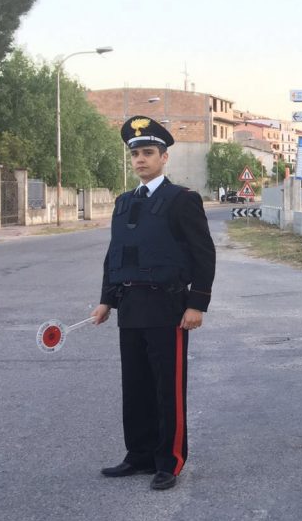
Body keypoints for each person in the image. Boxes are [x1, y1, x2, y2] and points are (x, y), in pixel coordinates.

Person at [90, 116, 216, 491]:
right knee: (136, 386)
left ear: (164, 158)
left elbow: (203, 255)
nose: (140, 160)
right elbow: (115, 254)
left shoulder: (182, 200)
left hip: (168, 308)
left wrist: (197, 305)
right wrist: (105, 301)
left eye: (148, 153)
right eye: (135, 154)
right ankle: (139, 455)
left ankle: (169, 460)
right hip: (131, 306)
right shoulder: (124, 202)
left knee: (167, 387)